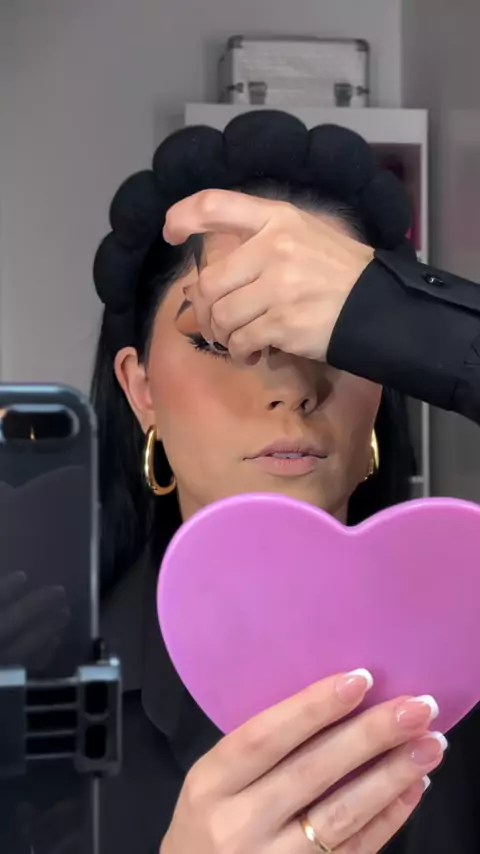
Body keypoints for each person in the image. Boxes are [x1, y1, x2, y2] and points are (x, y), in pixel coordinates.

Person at [92, 111, 477, 854]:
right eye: (220, 339)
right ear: (141, 389)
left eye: (334, 339)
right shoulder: (39, 687)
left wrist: (410, 319)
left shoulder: (471, 638)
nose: (292, 389)